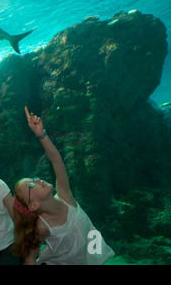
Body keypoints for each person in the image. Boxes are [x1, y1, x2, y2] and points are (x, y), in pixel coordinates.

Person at [12, 106, 115, 265]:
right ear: (33, 205)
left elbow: (56, 161)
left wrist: (41, 134)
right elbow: (30, 258)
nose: (38, 180)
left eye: (35, 178)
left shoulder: (65, 195)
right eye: (32, 185)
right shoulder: (42, 226)